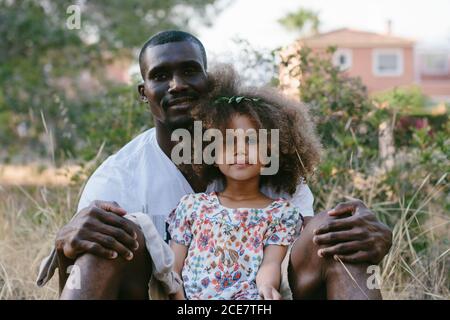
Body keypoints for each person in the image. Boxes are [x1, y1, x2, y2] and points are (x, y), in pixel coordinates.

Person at [37, 30, 392, 299]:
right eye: (160, 76)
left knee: (340, 240)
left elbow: (295, 256)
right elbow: (87, 264)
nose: (176, 85)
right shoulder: (119, 177)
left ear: (209, 80)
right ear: (144, 92)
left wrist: (345, 228)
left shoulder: (266, 157)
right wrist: (68, 239)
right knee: (105, 239)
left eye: (190, 71)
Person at [167, 71, 321, 300]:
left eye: (251, 140)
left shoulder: (280, 214)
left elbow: (271, 264)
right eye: (228, 141)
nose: (240, 150)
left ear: (271, 152)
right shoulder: (192, 207)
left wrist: (268, 287)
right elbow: (173, 269)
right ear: (211, 152)